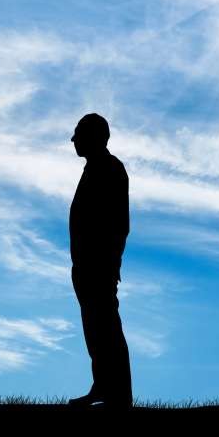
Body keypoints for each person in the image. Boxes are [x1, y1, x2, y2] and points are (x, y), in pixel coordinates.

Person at [68, 113, 133, 408]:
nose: (73, 140)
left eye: (79, 134)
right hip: (86, 266)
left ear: (94, 136)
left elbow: (118, 222)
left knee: (105, 327)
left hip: (99, 266)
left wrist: (109, 261)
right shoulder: (95, 168)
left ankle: (117, 395)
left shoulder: (109, 169)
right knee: (95, 329)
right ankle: (104, 387)